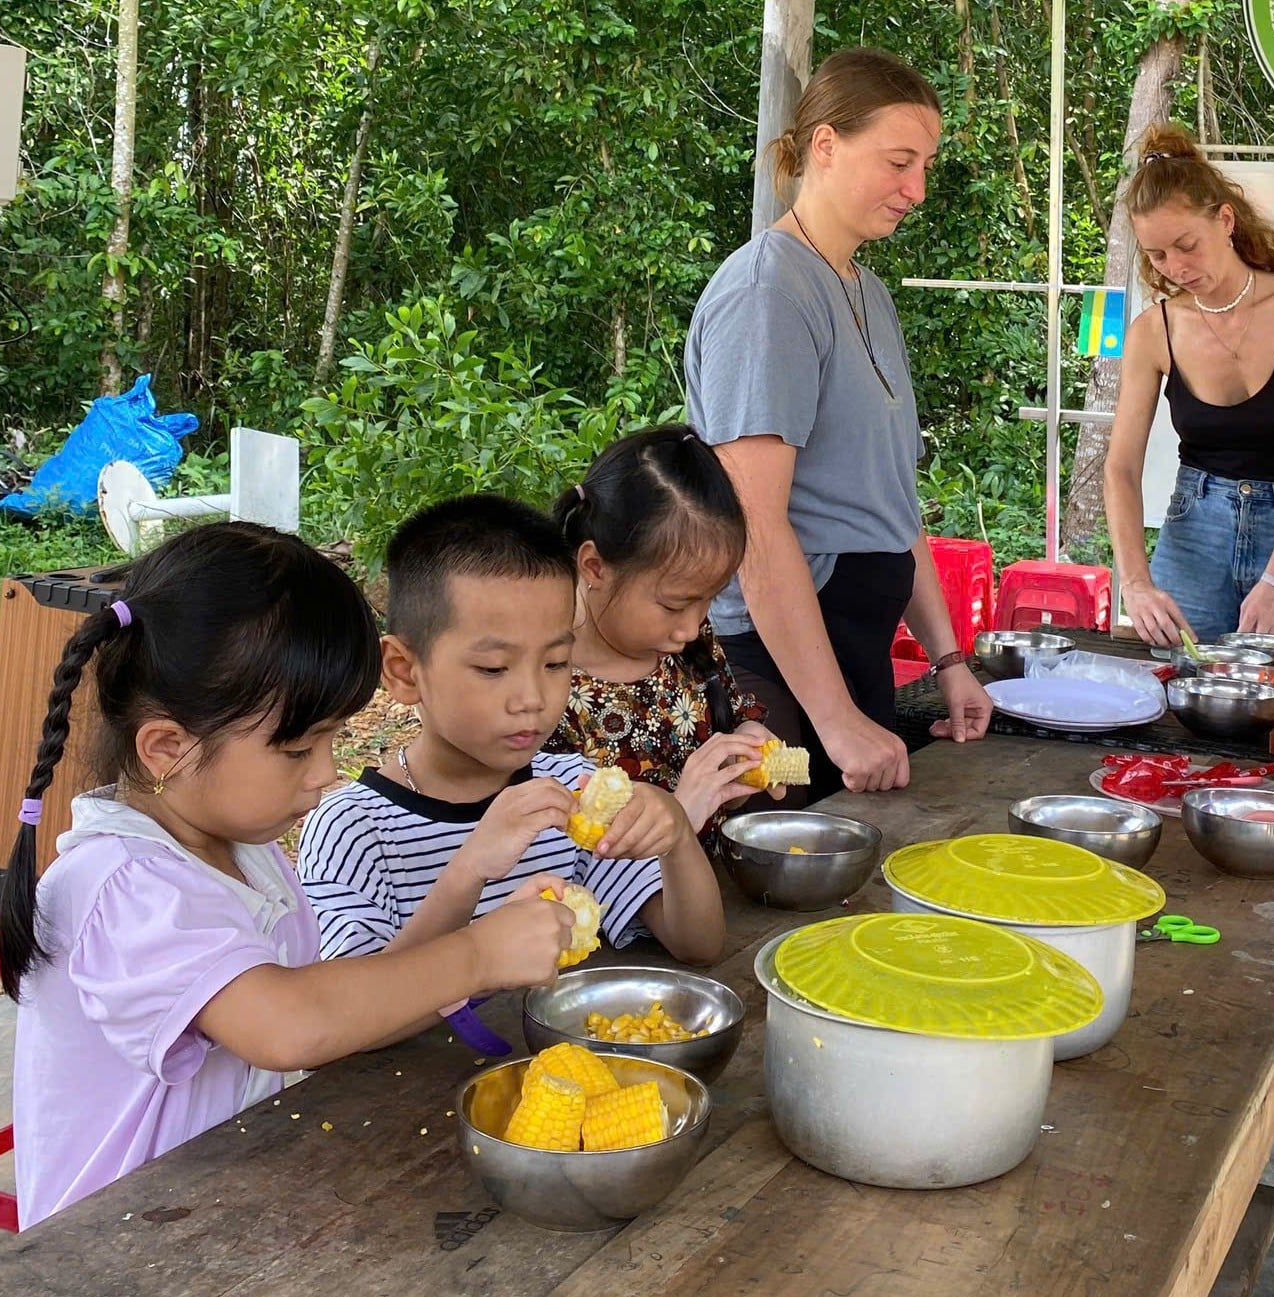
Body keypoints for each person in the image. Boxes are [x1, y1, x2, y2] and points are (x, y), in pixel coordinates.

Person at [0, 523, 582, 1226]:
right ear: (168, 748)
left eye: (333, 740)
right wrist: (480, 952)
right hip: (120, 1252)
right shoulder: (123, 884)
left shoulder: (240, 848)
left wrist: (471, 898)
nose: (327, 774)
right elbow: (290, 1024)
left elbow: (350, 1011)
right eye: (300, 748)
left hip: (231, 1213)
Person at [685, 47, 991, 803]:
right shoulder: (769, 295)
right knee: (778, 814)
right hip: (776, 668)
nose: (916, 190)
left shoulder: (867, 288)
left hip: (854, 648)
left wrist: (949, 660)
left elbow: (892, 504)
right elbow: (754, 526)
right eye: (897, 162)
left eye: (924, 165)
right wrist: (834, 718)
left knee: (864, 855)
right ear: (825, 145)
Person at [298, 494, 725, 970]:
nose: (532, 698)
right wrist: (470, 871)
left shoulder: (567, 791)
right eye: (494, 667)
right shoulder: (354, 830)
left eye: (556, 662)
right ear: (403, 671)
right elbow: (350, 1015)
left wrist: (676, 836)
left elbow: (699, 944)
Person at [1102, 121, 1274, 661]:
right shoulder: (1154, 331)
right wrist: (1136, 581)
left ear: (1224, 220)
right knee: (1178, 699)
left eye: (1186, 245)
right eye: (1156, 256)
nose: (1175, 268)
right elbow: (1120, 468)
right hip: (1196, 527)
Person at [542, 425, 781, 847]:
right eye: (673, 605)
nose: (691, 626)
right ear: (595, 566)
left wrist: (746, 742)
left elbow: (732, 712)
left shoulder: (686, 643)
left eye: (709, 599)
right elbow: (551, 857)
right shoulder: (542, 685)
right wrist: (678, 814)